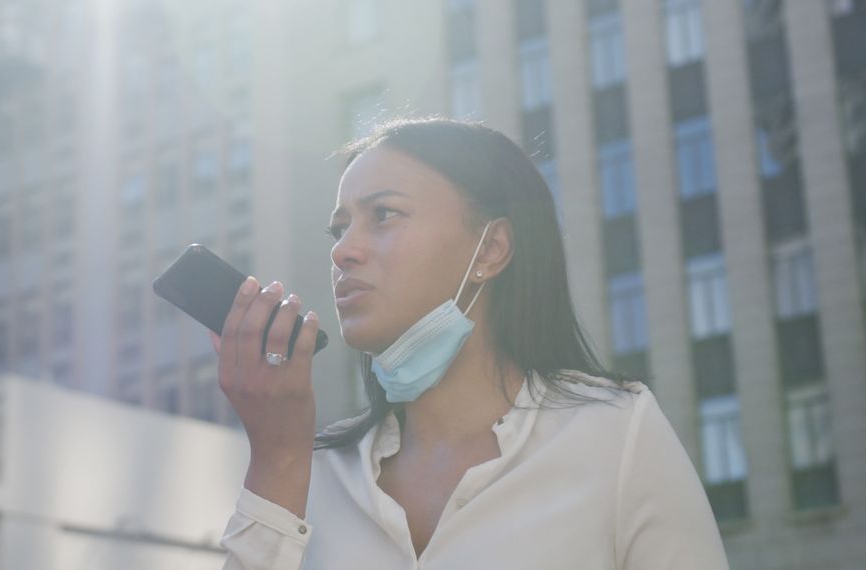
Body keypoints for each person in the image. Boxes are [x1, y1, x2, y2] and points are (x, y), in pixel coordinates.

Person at [211, 118, 730, 569]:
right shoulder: (313, 474)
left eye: (384, 214)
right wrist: (277, 462)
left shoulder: (615, 432)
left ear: (492, 247)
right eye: (339, 229)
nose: (344, 250)